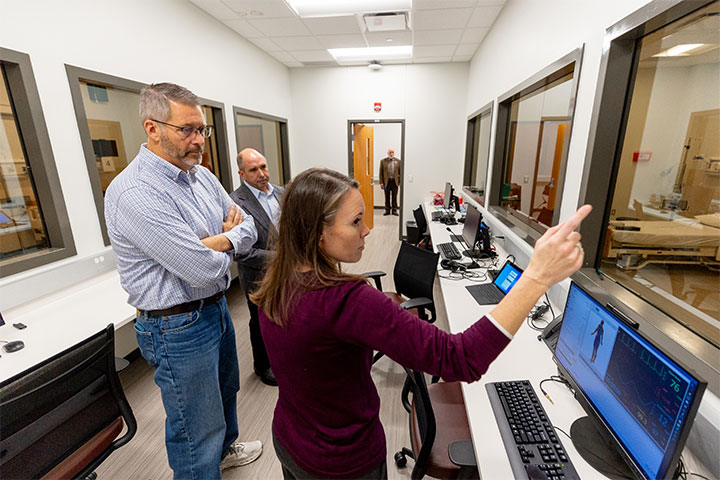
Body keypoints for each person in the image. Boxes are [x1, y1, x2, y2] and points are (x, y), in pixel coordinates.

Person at [251, 168, 592, 479]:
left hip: (291, 439)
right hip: (341, 463)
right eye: (355, 222)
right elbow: (461, 359)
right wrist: (536, 278)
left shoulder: (278, 280)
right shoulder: (348, 301)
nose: (367, 229)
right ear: (317, 233)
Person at [104, 83, 263, 479]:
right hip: (175, 325)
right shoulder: (136, 191)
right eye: (186, 130)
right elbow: (203, 268)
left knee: (226, 394)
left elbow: (250, 229)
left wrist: (213, 242)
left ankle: (225, 453)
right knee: (195, 427)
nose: (198, 141)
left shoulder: (200, 177)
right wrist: (218, 244)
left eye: (202, 130)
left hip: (215, 308)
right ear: (152, 128)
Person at [230, 148, 285, 386]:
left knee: (287, 316)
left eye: (263, 167)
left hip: (290, 273)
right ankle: (263, 366)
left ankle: (284, 359)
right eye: (254, 170)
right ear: (242, 173)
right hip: (258, 276)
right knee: (261, 320)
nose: (262, 173)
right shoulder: (235, 203)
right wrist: (281, 257)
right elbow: (241, 251)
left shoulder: (283, 193)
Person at [379, 148, 401, 216]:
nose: (391, 154)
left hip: (395, 182)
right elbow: (381, 173)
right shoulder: (383, 161)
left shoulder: (398, 161)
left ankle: (394, 210)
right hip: (386, 182)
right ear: (388, 153)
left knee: (394, 197)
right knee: (387, 197)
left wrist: (400, 182)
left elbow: (400, 172)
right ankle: (387, 210)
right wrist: (381, 182)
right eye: (390, 152)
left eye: (392, 152)